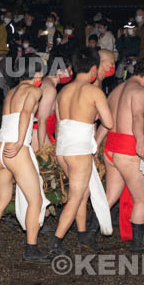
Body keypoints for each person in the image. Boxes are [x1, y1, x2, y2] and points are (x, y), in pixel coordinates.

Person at [0, 57, 49, 261]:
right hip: (15, 148)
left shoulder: (10, 92)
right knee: (35, 200)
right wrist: (20, 142)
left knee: (2, 199)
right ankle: (31, 249)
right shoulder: (35, 90)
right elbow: (25, 114)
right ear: (36, 74)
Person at [48, 48, 114, 255]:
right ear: (94, 69)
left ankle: (83, 236)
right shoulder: (94, 92)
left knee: (82, 192)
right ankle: (56, 243)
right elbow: (109, 122)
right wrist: (92, 115)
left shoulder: (63, 91)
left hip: (62, 148)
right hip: (79, 149)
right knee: (76, 196)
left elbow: (60, 121)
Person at [103, 57, 144, 253]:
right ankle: (138, 243)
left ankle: (87, 235)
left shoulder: (116, 90)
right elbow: (137, 118)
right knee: (141, 197)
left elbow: (106, 121)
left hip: (111, 146)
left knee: (109, 196)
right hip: (128, 148)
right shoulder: (139, 91)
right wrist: (141, 142)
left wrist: (96, 145)